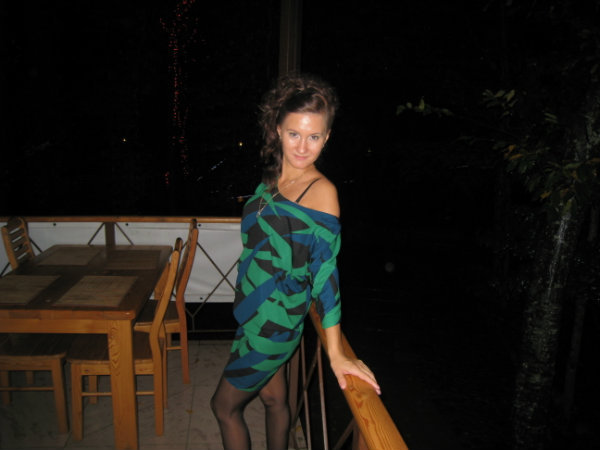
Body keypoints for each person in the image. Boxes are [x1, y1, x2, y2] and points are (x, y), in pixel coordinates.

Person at [211, 73, 380, 450]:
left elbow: (326, 274)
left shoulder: (321, 192)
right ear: (277, 129)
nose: (303, 147)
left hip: (275, 324)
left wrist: (336, 353)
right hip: (254, 313)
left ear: (327, 137)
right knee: (275, 401)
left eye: (314, 137)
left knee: (223, 408)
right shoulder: (272, 180)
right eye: (294, 134)